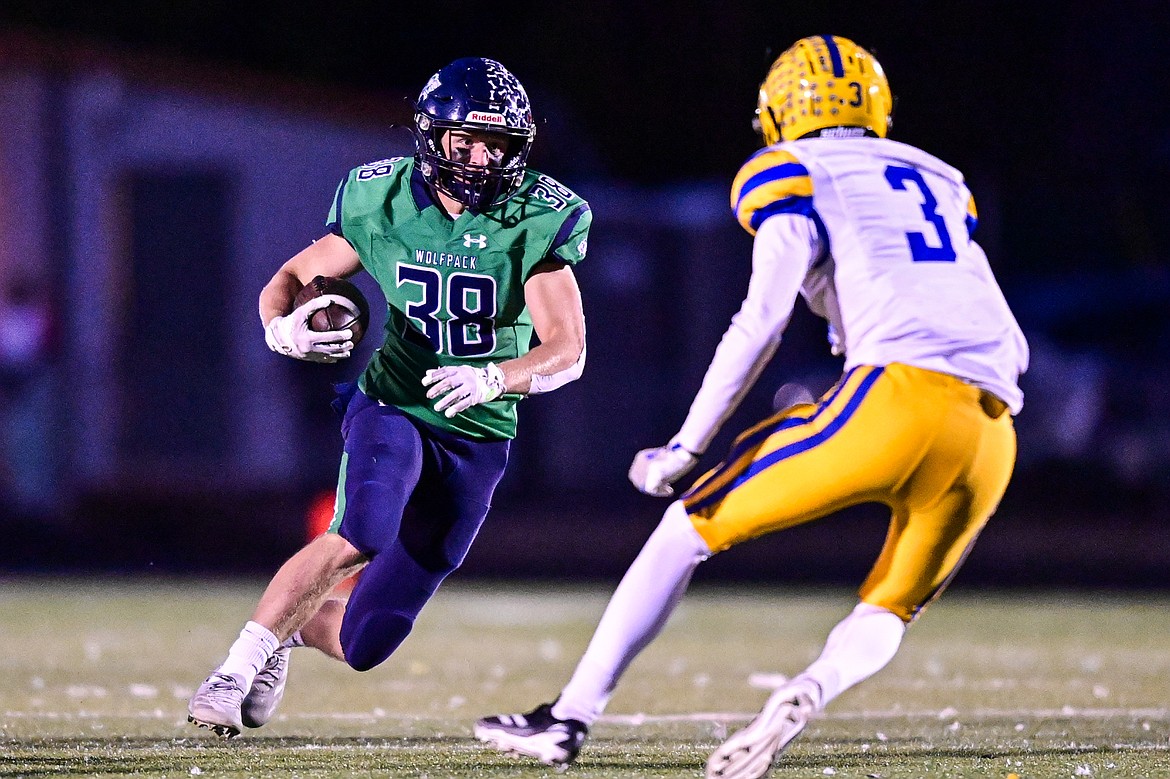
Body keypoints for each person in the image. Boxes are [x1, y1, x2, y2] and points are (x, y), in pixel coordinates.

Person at [474, 34, 1028, 779]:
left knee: (683, 528)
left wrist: (687, 445)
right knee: (889, 605)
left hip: (894, 399)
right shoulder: (940, 179)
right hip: (993, 432)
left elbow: (761, 319)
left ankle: (568, 717)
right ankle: (808, 690)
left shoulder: (796, 171)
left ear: (781, 113)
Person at [187, 57, 591, 738]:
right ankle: (231, 671)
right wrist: (279, 326)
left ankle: (294, 630)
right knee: (364, 528)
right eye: (469, 141)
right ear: (434, 138)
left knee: (365, 642)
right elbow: (291, 275)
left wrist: (495, 376)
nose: (485, 158)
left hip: (478, 430)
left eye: (499, 144)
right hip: (396, 402)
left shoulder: (538, 217)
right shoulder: (382, 198)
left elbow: (567, 347)